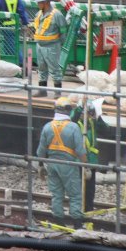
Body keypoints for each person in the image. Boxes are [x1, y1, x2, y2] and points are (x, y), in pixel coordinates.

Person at [37, 96, 86, 225]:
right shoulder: (74, 127)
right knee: (74, 194)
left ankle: (58, 221)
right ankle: (77, 222)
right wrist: (85, 166)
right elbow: (80, 151)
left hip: (52, 165)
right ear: (68, 110)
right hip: (68, 165)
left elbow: (41, 150)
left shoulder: (47, 127)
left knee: (56, 194)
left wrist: (41, 165)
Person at [30, 0, 63, 94]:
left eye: (39, 2)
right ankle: (42, 91)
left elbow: (63, 31)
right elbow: (37, 27)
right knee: (41, 68)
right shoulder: (38, 14)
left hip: (52, 46)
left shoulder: (57, 15)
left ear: (46, 2)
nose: (38, 5)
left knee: (54, 69)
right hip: (40, 46)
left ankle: (58, 93)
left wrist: (58, 44)